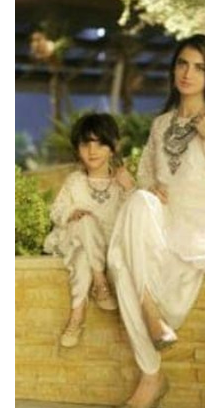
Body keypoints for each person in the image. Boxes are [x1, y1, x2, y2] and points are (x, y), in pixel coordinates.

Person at [107, 34, 205, 408]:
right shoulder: (160, 126)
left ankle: (150, 375)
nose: (188, 73)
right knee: (137, 206)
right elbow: (145, 180)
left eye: (199, 67)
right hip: (166, 226)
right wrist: (149, 188)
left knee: (120, 261)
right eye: (182, 64)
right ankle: (152, 326)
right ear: (174, 69)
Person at [44, 113, 136, 348]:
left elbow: (133, 217)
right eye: (85, 144)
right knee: (85, 221)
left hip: (101, 246)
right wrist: (70, 213)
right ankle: (100, 283)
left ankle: (77, 316)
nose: (92, 151)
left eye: (100, 143)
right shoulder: (75, 181)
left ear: (113, 147)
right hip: (73, 237)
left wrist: (129, 188)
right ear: (77, 149)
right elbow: (56, 210)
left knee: (83, 258)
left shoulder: (120, 183)